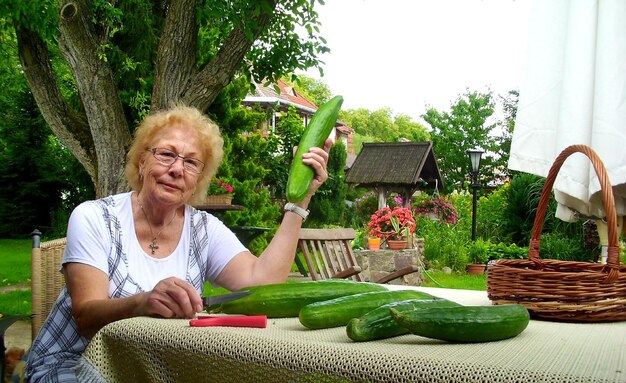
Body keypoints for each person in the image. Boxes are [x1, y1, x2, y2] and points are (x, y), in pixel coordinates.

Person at [25, 104, 331, 382]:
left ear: (198, 180)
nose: (176, 169)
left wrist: (301, 198)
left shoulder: (204, 229)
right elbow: (85, 318)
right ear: (142, 162)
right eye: (167, 154)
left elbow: (264, 284)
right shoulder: (95, 217)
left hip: (158, 369)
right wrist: (141, 303)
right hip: (71, 365)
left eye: (191, 163)